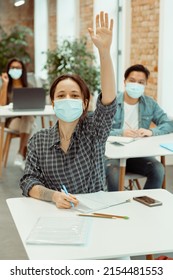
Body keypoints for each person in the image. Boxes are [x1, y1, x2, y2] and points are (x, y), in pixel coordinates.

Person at [20, 11, 116, 209]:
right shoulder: (39, 140)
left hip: (95, 213)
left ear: (84, 103)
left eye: (74, 95)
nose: (67, 99)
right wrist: (53, 196)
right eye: (61, 95)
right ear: (53, 103)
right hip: (55, 215)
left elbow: (108, 102)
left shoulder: (94, 131)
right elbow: (28, 181)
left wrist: (104, 53)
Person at [105, 64, 173, 191]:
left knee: (158, 169)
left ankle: (145, 203)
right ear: (124, 82)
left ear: (145, 85)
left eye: (141, 82)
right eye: (132, 81)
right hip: (112, 156)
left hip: (137, 154)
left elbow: (168, 124)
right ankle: (116, 207)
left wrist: (151, 132)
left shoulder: (150, 103)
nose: (136, 84)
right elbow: (99, 128)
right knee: (114, 171)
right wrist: (121, 132)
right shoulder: (111, 102)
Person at [0, 58, 34, 169]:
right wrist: (5, 84)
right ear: (8, 70)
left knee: (28, 117)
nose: (15, 70)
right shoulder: (7, 86)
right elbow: (1, 105)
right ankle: (22, 155)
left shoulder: (28, 85)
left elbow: (35, 105)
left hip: (25, 119)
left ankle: (20, 154)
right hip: (11, 121)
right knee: (30, 125)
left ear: (22, 70)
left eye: (18, 68)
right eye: (12, 67)